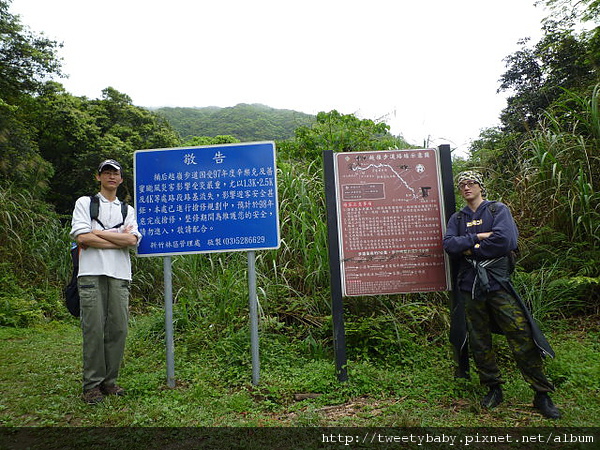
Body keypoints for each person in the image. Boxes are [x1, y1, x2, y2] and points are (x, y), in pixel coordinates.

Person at [443, 170, 561, 419]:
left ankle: (541, 393)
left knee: (520, 333)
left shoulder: (497, 210)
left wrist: (469, 246)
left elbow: (506, 241)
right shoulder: (458, 217)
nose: (467, 187)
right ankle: (493, 388)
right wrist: (479, 237)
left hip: (497, 284)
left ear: (480, 186)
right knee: (479, 339)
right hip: (470, 287)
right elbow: (450, 245)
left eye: (471, 183)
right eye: (462, 184)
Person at [69, 159, 141, 404]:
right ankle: (92, 385)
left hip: (120, 275)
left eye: (115, 173)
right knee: (93, 330)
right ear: (98, 177)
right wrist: (116, 237)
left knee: (118, 329)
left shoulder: (127, 210)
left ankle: (109, 382)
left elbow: (132, 241)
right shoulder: (85, 203)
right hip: (90, 273)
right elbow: (81, 236)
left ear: (121, 180)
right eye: (106, 172)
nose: (111, 176)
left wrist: (96, 233)